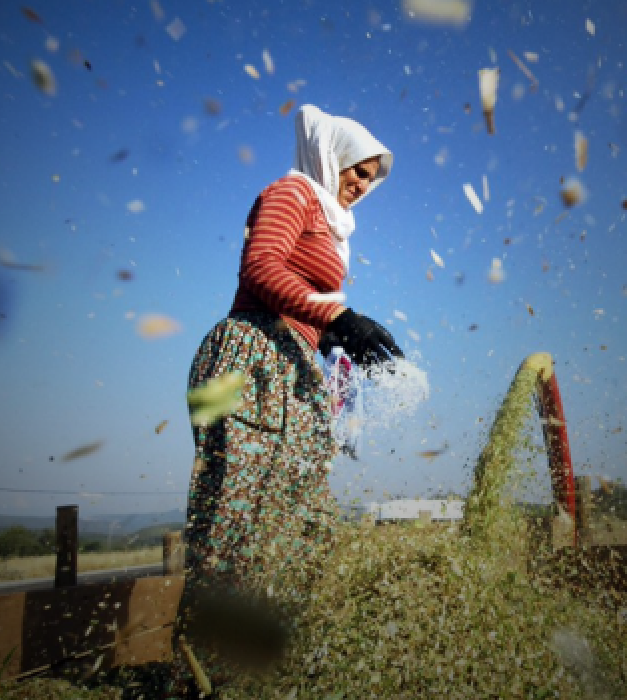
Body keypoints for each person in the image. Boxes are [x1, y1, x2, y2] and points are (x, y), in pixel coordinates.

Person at [175, 104, 404, 687]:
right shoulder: (291, 192)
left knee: (303, 520)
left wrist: (339, 345)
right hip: (246, 357)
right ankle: (204, 670)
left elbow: (309, 310)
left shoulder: (331, 224)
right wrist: (341, 315)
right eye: (357, 168)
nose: (362, 183)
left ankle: (268, 660)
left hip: (289, 363)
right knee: (236, 514)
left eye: (371, 176)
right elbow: (260, 267)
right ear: (332, 157)